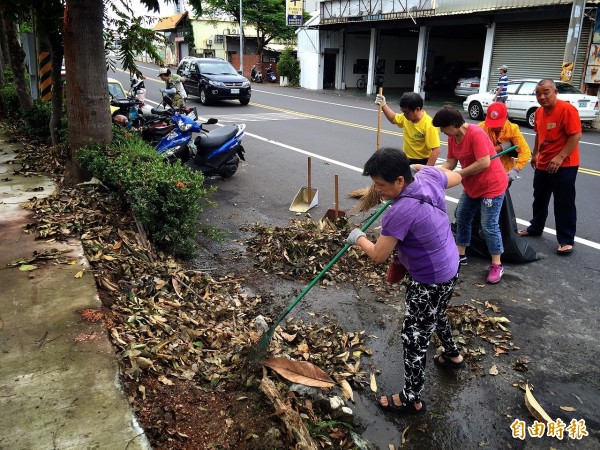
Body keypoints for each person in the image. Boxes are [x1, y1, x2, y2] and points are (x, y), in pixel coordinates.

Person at [346, 147, 465, 415]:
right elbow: (457, 178)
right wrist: (429, 170)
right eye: (374, 185)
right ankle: (452, 354)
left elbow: (378, 254)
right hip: (450, 265)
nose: (377, 191)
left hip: (429, 280)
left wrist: (358, 237)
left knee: (414, 337)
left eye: (381, 185)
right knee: (437, 312)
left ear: (400, 180)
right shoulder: (429, 177)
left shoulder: (398, 212)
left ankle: (412, 398)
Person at [432, 105, 508, 284]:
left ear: (452, 124)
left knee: (488, 225)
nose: (442, 132)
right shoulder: (453, 137)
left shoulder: (476, 134)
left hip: (492, 186)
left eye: (443, 128)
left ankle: (497, 264)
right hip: (472, 186)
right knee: (462, 216)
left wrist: (459, 175)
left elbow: (484, 163)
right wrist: (432, 173)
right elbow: (450, 163)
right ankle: (460, 254)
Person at [518, 79, 581, 256]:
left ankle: (566, 239)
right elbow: (539, 133)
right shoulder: (539, 112)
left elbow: (575, 135)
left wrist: (560, 157)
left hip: (565, 164)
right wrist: (535, 153)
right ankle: (535, 227)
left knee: (563, 201)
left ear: (555, 92)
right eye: (538, 93)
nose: (542, 96)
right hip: (544, 162)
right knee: (539, 197)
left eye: (546, 92)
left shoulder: (567, 109)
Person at [375, 92, 441, 165]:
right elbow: (393, 118)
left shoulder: (429, 124)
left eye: (406, 112)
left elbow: (436, 150)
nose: (404, 115)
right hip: (406, 159)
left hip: (422, 162)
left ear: (417, 109)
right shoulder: (406, 118)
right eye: (403, 112)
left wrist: (426, 170)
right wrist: (383, 105)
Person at [478, 102, 531, 181]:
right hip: (484, 170)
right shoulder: (481, 128)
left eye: (498, 123)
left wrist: (516, 169)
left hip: (504, 171)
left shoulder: (512, 129)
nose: (495, 127)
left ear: (506, 117)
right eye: (492, 123)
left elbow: (525, 151)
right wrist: (503, 146)